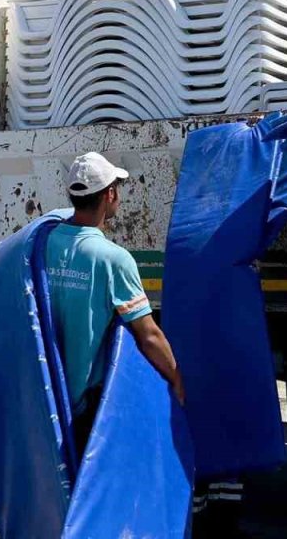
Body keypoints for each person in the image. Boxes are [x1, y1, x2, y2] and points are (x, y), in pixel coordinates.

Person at [44, 151, 185, 454]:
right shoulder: (114, 259)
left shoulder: (42, 246)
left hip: (46, 398)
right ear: (109, 194)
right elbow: (148, 336)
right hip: (86, 406)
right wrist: (177, 378)